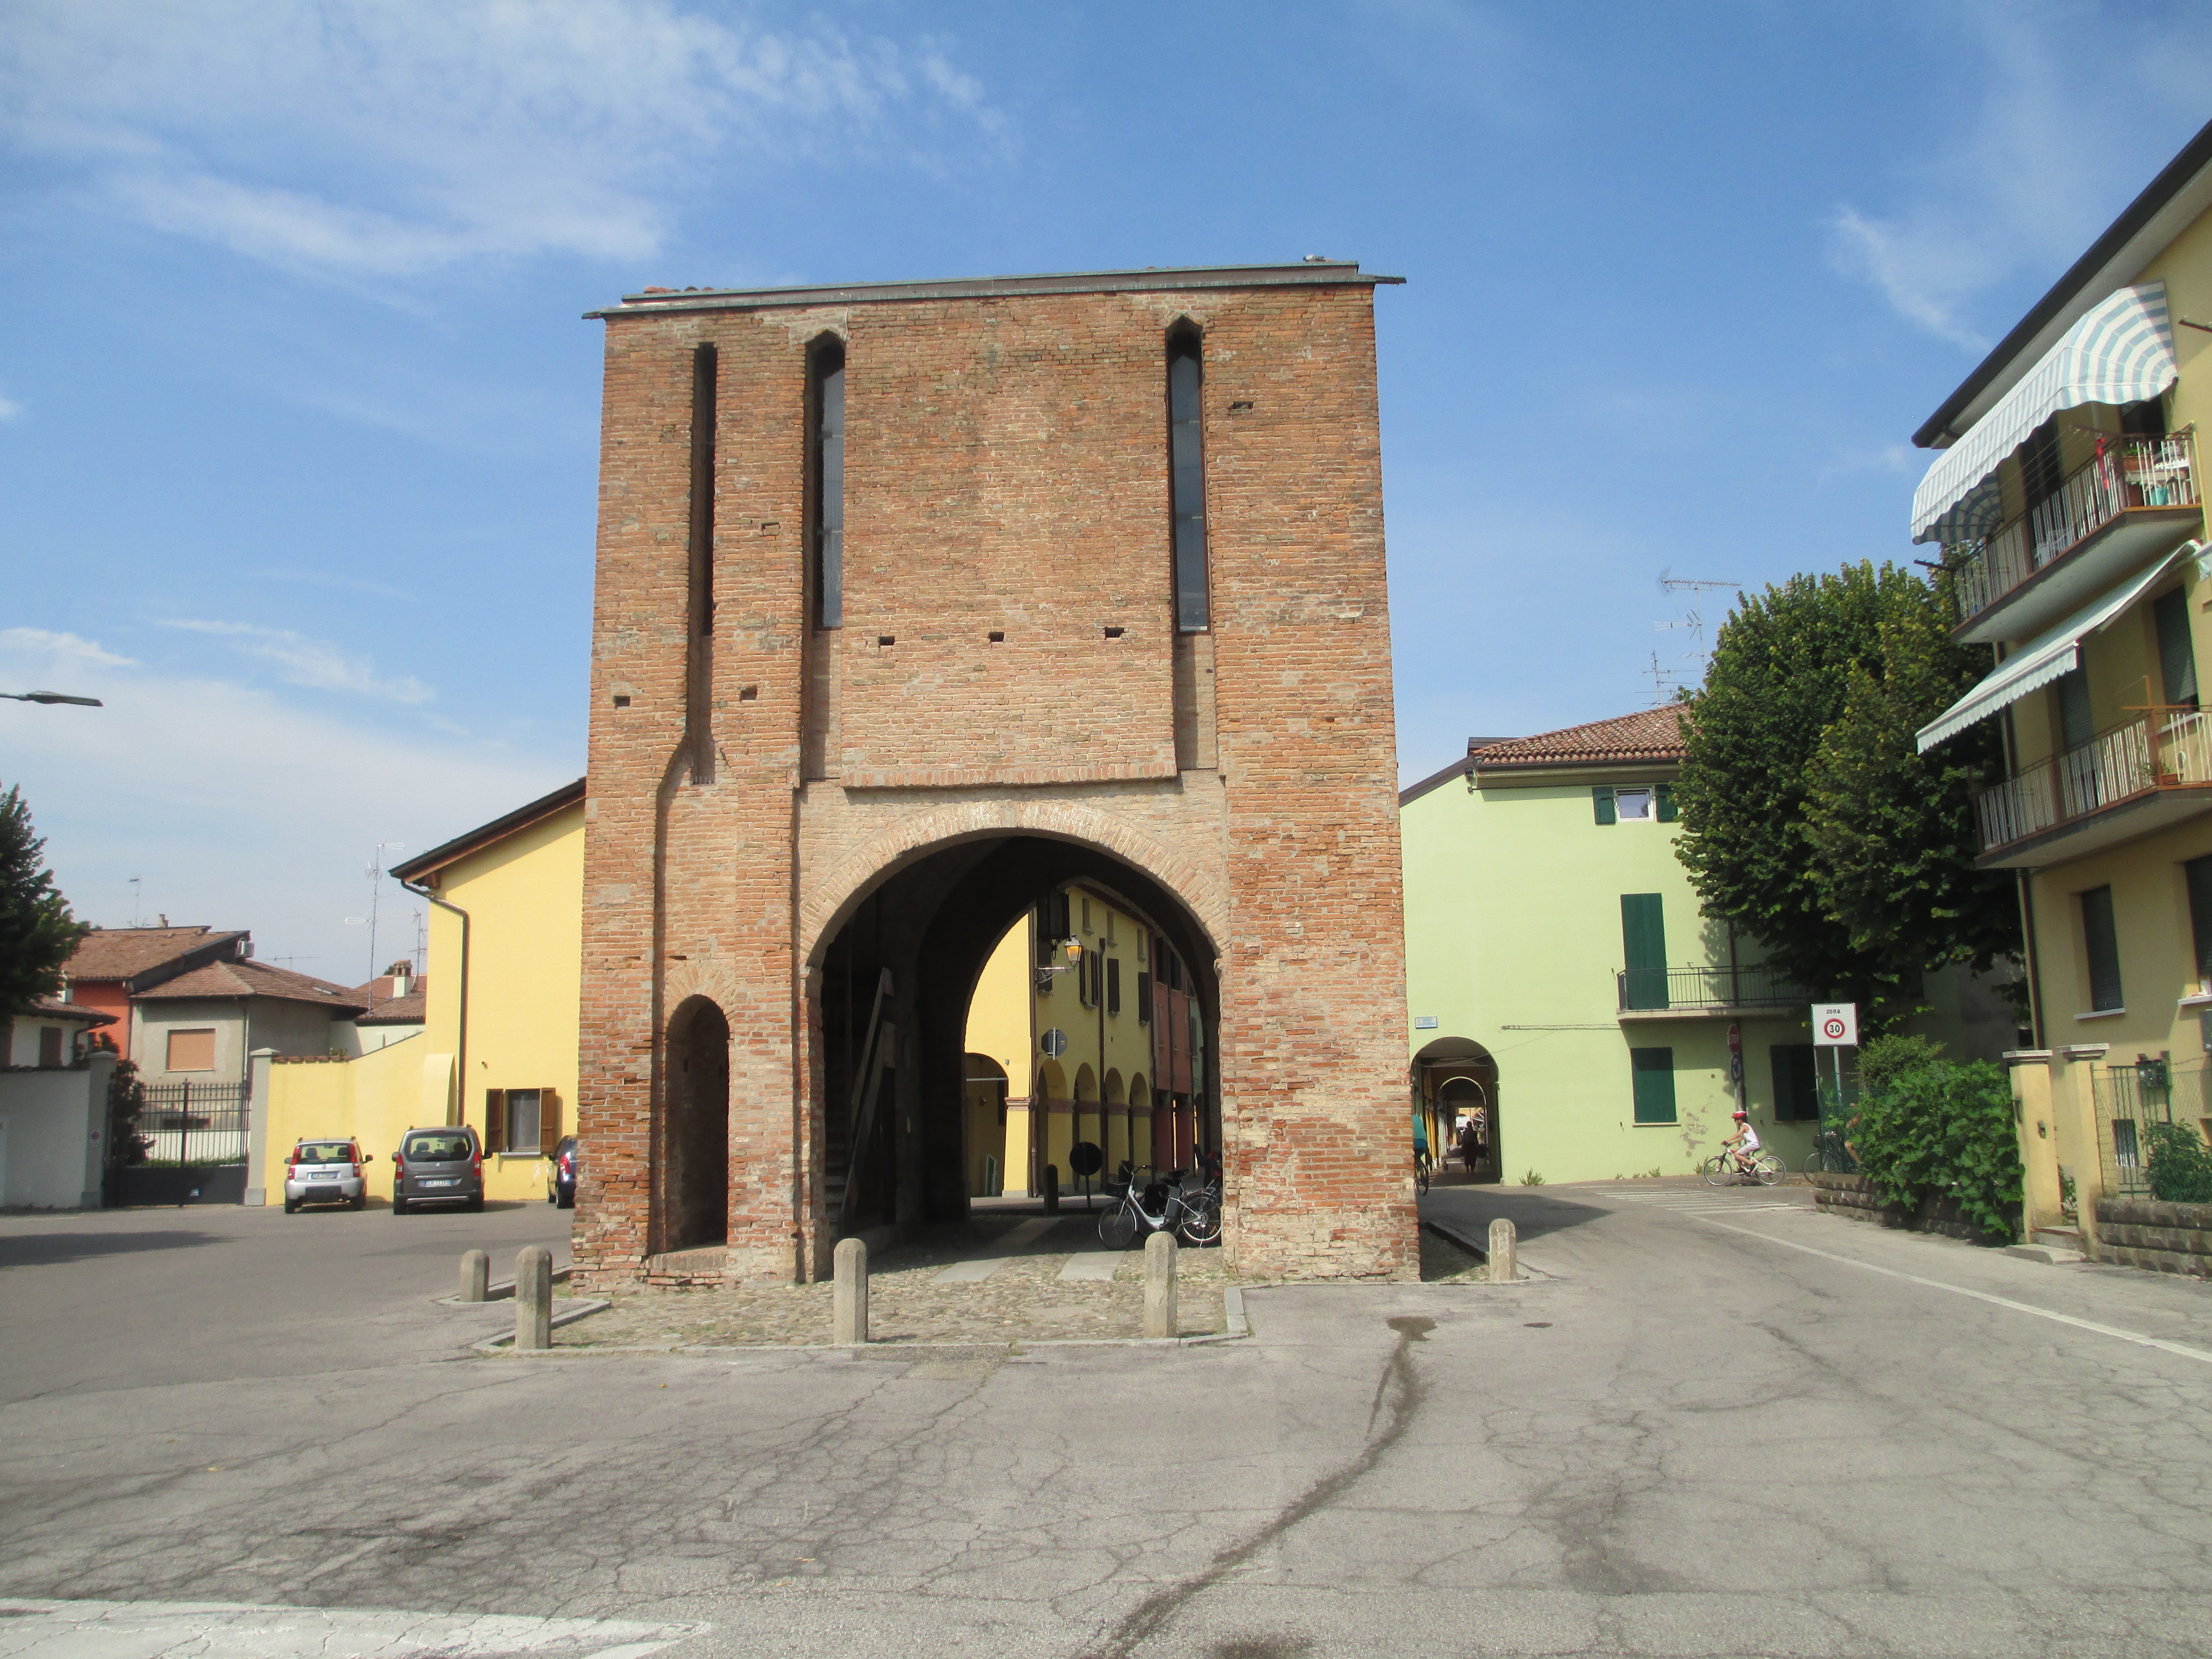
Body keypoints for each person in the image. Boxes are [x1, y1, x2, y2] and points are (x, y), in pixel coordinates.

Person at [1722, 1109, 1761, 1174]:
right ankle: (1743, 1168)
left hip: (1752, 1145)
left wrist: (1727, 1140)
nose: (1735, 1122)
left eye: (1736, 1120)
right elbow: (1741, 1138)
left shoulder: (1744, 1126)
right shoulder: (1745, 1126)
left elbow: (1738, 1135)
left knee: (1737, 1154)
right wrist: (1731, 1143)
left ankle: (1752, 1164)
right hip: (1750, 1144)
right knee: (1735, 1152)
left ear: (1740, 1120)